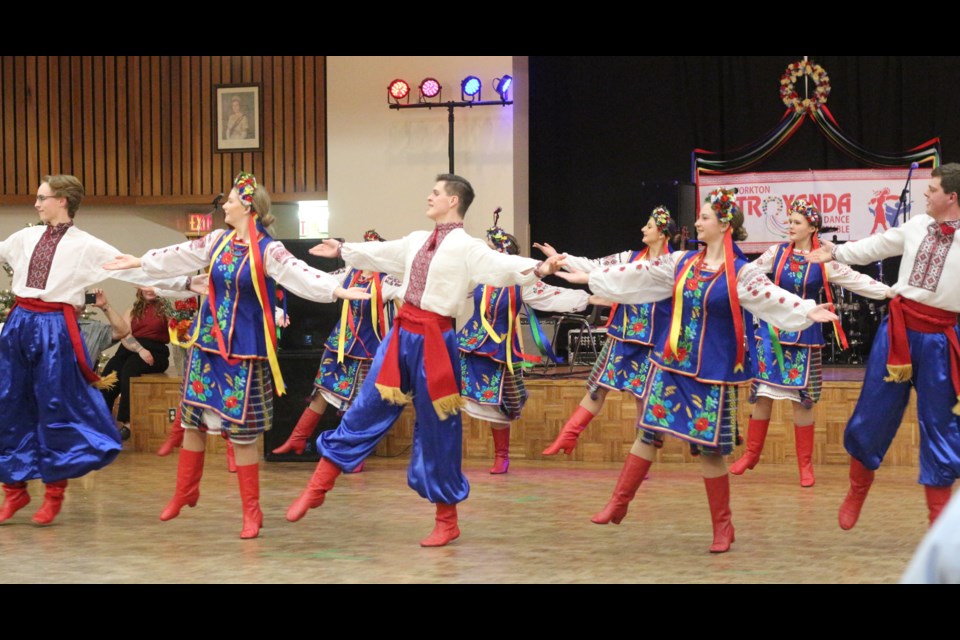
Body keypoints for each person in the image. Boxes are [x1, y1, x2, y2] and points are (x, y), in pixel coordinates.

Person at [285, 174, 566, 547]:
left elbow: (503, 267)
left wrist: (541, 269)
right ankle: (319, 485)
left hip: (436, 341)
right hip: (401, 335)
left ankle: (447, 521)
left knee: (439, 430)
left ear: (453, 201)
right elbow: (383, 254)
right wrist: (342, 248)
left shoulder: (469, 247)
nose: (429, 196)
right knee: (365, 407)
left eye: (436, 192)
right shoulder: (417, 240)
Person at [558, 187, 837, 552]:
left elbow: (771, 297)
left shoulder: (742, 273)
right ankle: (619, 501)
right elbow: (640, 273)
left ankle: (723, 527)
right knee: (648, 432)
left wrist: (805, 310)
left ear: (723, 225)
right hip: (672, 363)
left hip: (714, 372)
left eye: (704, 217)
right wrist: (590, 279)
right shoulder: (682, 262)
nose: (697, 222)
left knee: (710, 451)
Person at [103, 172, 370, 539]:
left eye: (229, 199)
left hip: (245, 349)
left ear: (247, 206)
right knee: (193, 419)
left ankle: (252, 512)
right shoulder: (215, 241)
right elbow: (176, 256)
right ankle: (185, 491)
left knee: (242, 433)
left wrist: (337, 290)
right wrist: (138, 261)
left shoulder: (268, 250)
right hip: (206, 343)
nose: (224, 205)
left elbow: (299, 273)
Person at [0, 174, 194, 526]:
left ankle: (54, 493)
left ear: (62, 200)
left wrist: (188, 284)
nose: (36, 203)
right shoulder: (25, 237)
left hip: (53, 329)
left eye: (42, 197)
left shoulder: (86, 245)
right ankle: (14, 489)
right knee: (7, 402)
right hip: (19, 324)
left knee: (53, 406)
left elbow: (136, 270)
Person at [807, 163, 960, 530]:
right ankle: (857, 490)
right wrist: (836, 252)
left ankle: (937, 526)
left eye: (933, 189)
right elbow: (875, 246)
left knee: (942, 429)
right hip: (899, 333)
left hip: (943, 341)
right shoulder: (915, 226)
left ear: (952, 197)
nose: (925, 193)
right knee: (873, 413)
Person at [729, 199, 890, 486]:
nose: (789, 227)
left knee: (802, 402)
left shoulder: (821, 259)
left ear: (812, 227)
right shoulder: (775, 253)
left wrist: (892, 292)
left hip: (805, 337)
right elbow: (746, 274)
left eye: (796, 223)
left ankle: (805, 466)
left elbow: (856, 280)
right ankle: (751, 455)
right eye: (789, 222)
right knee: (763, 395)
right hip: (772, 334)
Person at [535, 206, 678, 456]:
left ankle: (642, 456)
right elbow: (595, 266)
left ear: (663, 233)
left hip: (654, 340)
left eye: (649, 226)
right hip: (623, 334)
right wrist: (562, 258)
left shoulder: (675, 263)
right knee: (597, 386)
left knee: (644, 397)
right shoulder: (630, 258)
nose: (643, 229)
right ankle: (568, 435)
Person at [460, 216, 599, 473]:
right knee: (450, 396)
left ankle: (501, 455)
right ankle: (444, 453)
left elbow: (552, 296)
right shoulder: (477, 277)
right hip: (470, 344)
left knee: (499, 404)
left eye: (491, 249)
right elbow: (450, 288)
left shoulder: (521, 283)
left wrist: (591, 299)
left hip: (500, 350)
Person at [271, 229, 403, 468]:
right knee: (323, 389)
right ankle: (298, 438)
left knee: (357, 401)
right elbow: (320, 278)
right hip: (340, 342)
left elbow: (407, 295)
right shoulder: (348, 273)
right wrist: (289, 275)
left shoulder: (387, 280)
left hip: (367, 348)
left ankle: (353, 453)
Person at [96, 286, 172, 441]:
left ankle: (128, 423)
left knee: (130, 368)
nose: (150, 290)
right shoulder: (131, 311)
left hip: (156, 351)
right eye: (146, 287)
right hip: (132, 348)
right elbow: (124, 336)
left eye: (154, 287)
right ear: (139, 290)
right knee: (111, 370)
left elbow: (177, 333)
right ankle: (100, 421)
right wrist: (140, 350)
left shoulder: (167, 310)